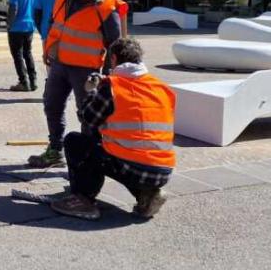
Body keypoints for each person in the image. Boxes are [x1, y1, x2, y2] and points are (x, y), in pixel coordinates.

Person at [50, 38, 176, 221]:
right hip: (162, 169)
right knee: (131, 154)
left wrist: (92, 90)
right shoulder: (161, 88)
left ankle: (82, 199)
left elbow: (88, 118)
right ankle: (147, 195)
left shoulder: (113, 87)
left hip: (133, 167)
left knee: (76, 142)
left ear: (114, 59)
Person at [29, 0, 122, 168]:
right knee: (51, 104)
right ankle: (55, 149)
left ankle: (87, 158)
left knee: (87, 114)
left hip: (86, 71)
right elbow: (55, 23)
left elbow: (115, 46)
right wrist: (49, 50)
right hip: (60, 64)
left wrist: (107, 76)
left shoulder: (107, 9)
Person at [7, 0, 39, 92]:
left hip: (16, 28)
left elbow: (13, 9)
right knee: (28, 53)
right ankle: (33, 80)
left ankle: (23, 82)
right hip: (30, 26)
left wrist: (9, 24)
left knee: (18, 55)